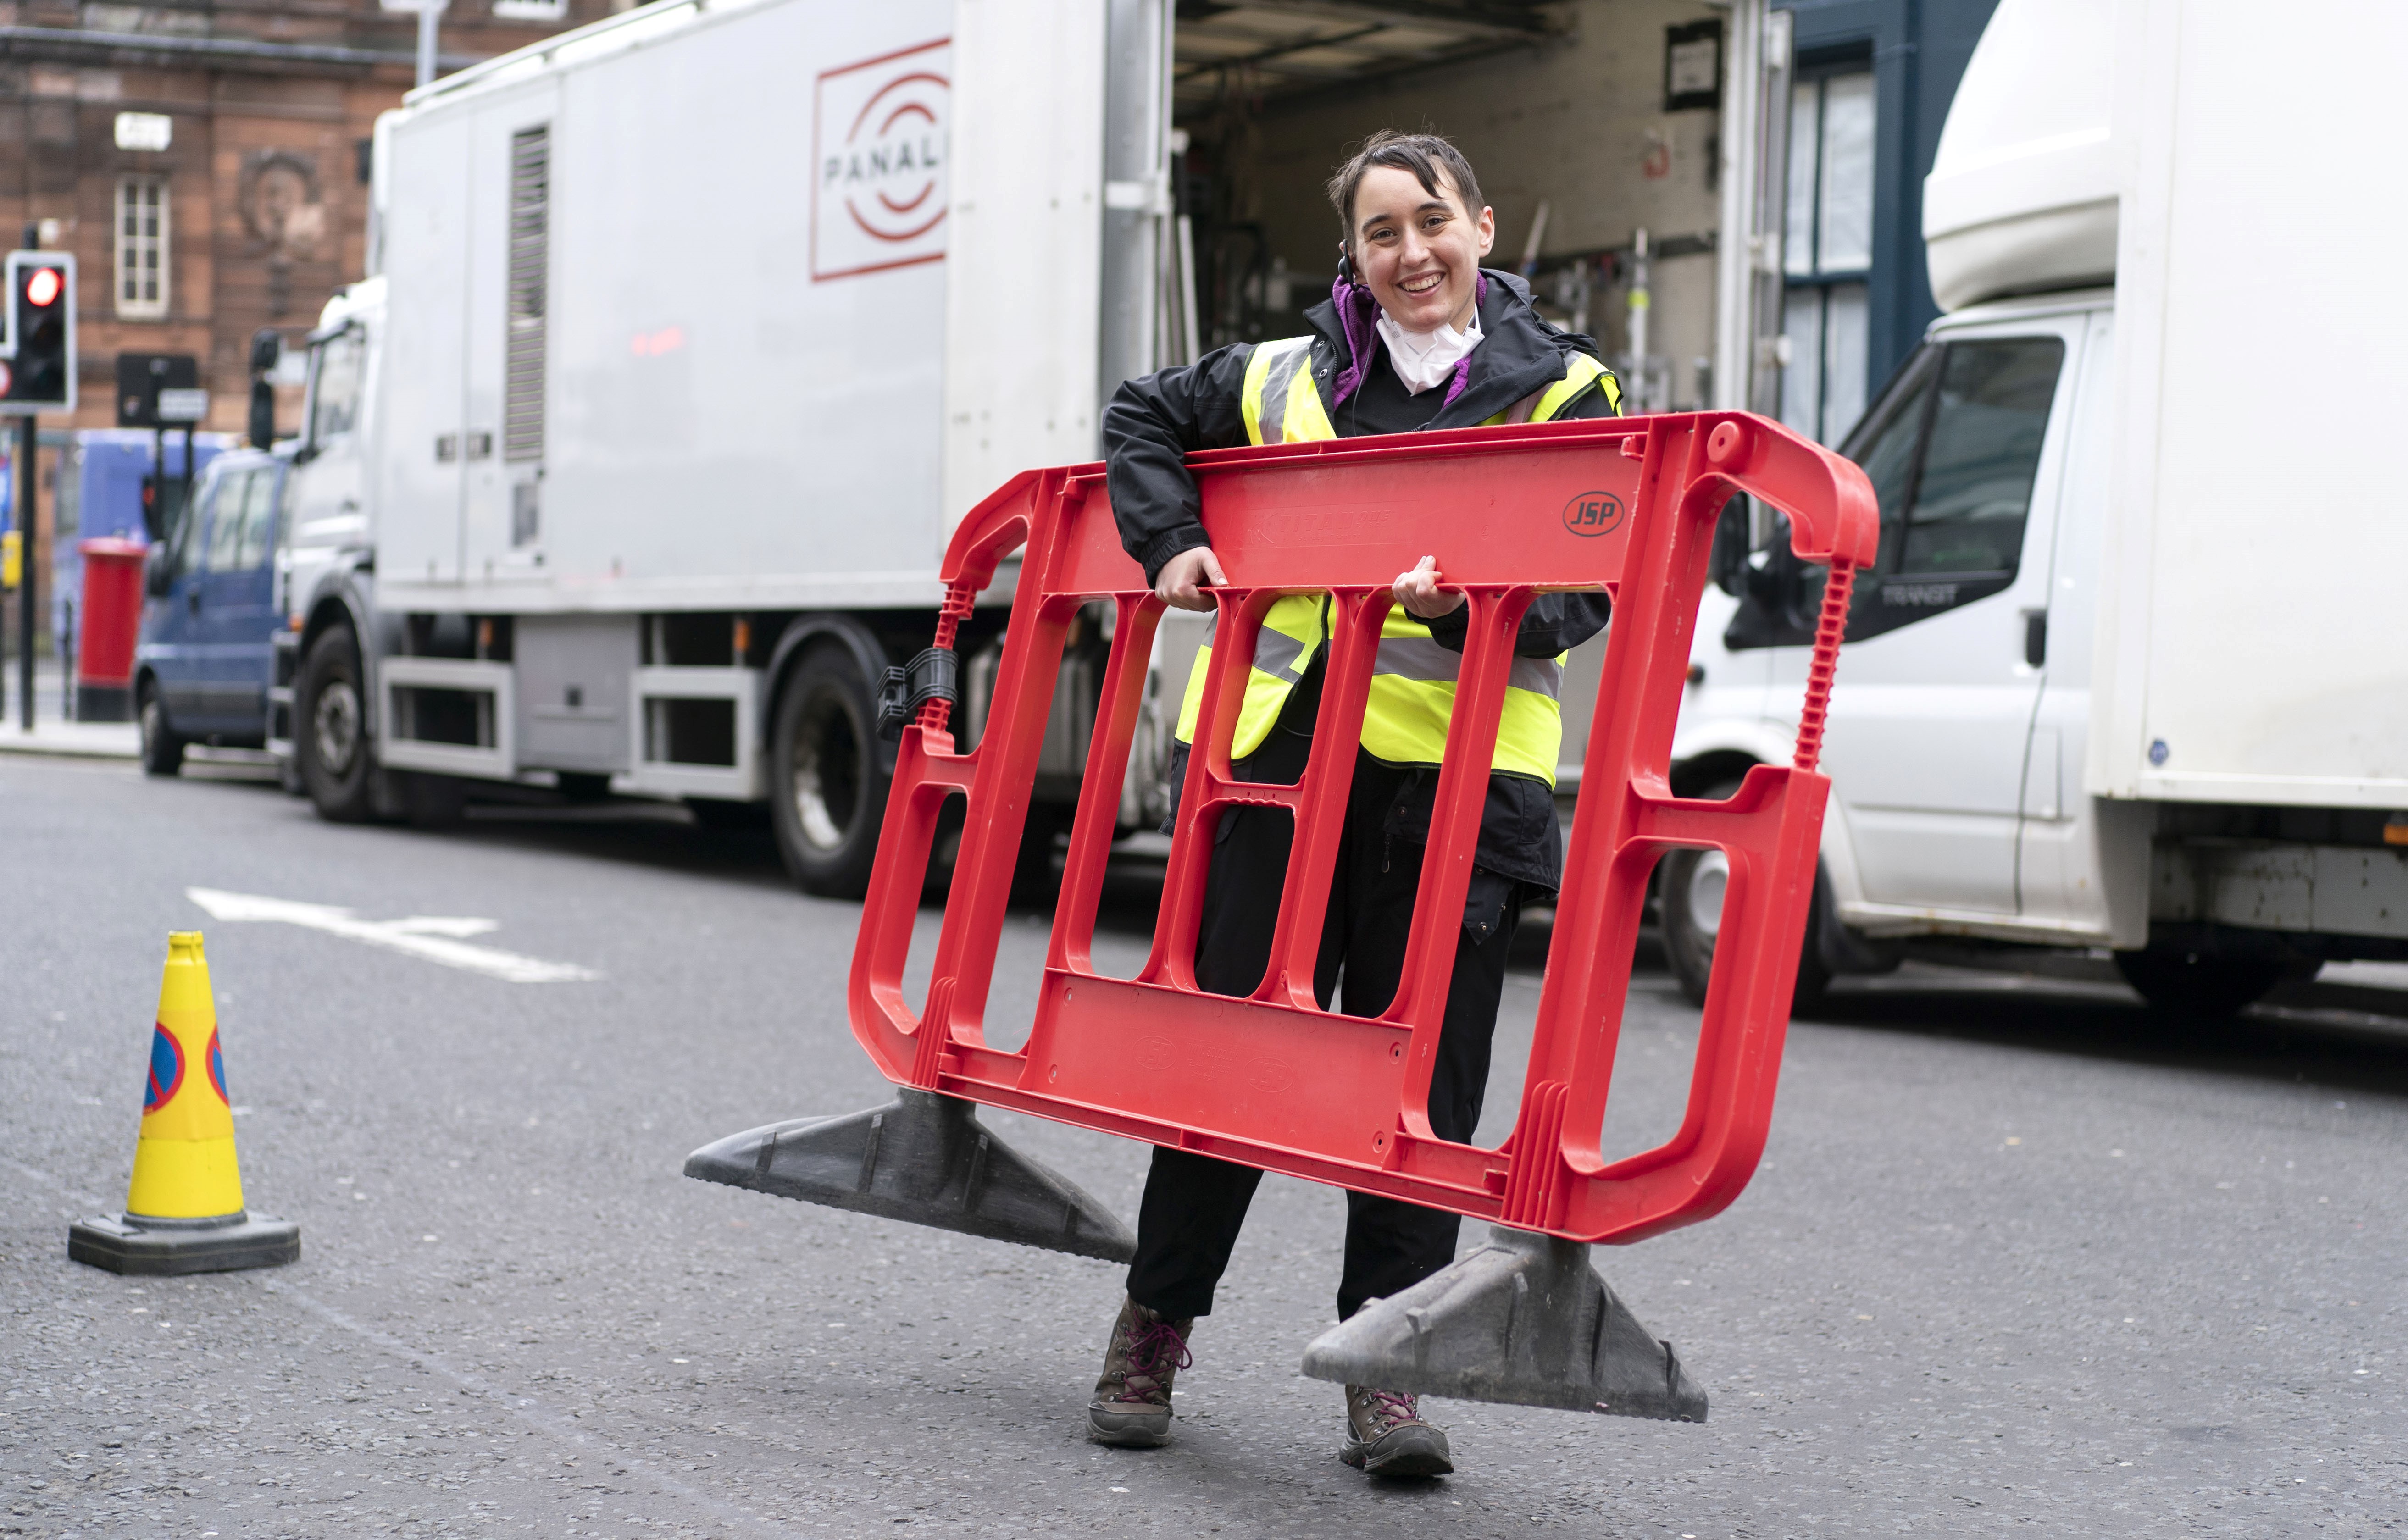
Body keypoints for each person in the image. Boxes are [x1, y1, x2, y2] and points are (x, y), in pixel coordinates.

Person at [1086, 130, 1623, 1479]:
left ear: (1483, 228)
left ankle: (1384, 1371)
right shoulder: (1278, 376)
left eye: (1429, 221)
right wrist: (1172, 540)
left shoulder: (1566, 387)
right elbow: (1139, 415)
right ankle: (1154, 1327)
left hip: (1455, 794)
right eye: (1381, 233)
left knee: (1419, 1101)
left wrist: (1474, 613)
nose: (1410, 253)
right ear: (1355, 256)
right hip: (1277, 779)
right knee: (1228, 1067)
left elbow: (1586, 589)